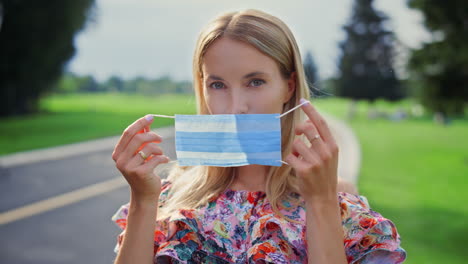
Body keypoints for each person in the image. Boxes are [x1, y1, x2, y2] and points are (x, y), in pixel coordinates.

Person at [111, 9, 406, 264]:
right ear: (202, 88)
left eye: (255, 82)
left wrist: (320, 202)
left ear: (289, 86)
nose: (236, 107)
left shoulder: (337, 198)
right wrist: (142, 202)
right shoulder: (166, 200)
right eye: (217, 85)